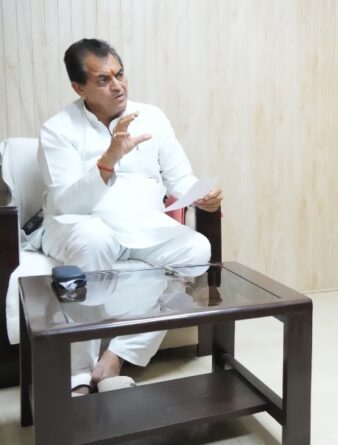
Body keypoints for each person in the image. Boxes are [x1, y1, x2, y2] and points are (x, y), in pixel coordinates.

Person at [37, 38, 223, 395]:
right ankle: (77, 376)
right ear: (79, 87)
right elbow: (65, 204)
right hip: (81, 226)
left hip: (142, 225)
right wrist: (107, 161)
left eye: (119, 74)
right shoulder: (57, 129)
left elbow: (180, 179)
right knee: (94, 241)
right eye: (103, 80)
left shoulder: (152, 116)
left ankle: (118, 355)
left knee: (196, 249)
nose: (118, 86)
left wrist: (205, 197)